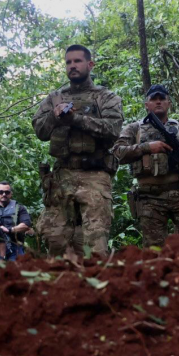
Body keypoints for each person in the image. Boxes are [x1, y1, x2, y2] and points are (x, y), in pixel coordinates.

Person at [31, 44, 123, 257]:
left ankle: (97, 285)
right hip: (61, 177)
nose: (72, 66)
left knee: (95, 244)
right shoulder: (55, 98)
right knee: (55, 241)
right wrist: (55, 116)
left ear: (90, 64)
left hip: (95, 176)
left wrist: (76, 119)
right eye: (68, 62)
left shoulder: (105, 97)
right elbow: (40, 131)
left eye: (77, 61)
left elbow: (113, 129)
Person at [111, 84, 179, 247]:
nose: (158, 102)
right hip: (149, 198)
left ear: (169, 103)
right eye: (153, 99)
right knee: (155, 253)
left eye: (162, 99)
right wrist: (147, 147)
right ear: (146, 104)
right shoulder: (134, 129)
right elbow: (117, 153)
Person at [0, 182, 33, 261]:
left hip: (15, 246)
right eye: (1, 192)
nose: (4, 194)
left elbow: (26, 225)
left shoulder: (19, 208)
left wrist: (10, 230)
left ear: (11, 194)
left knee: (17, 270)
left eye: (7, 192)